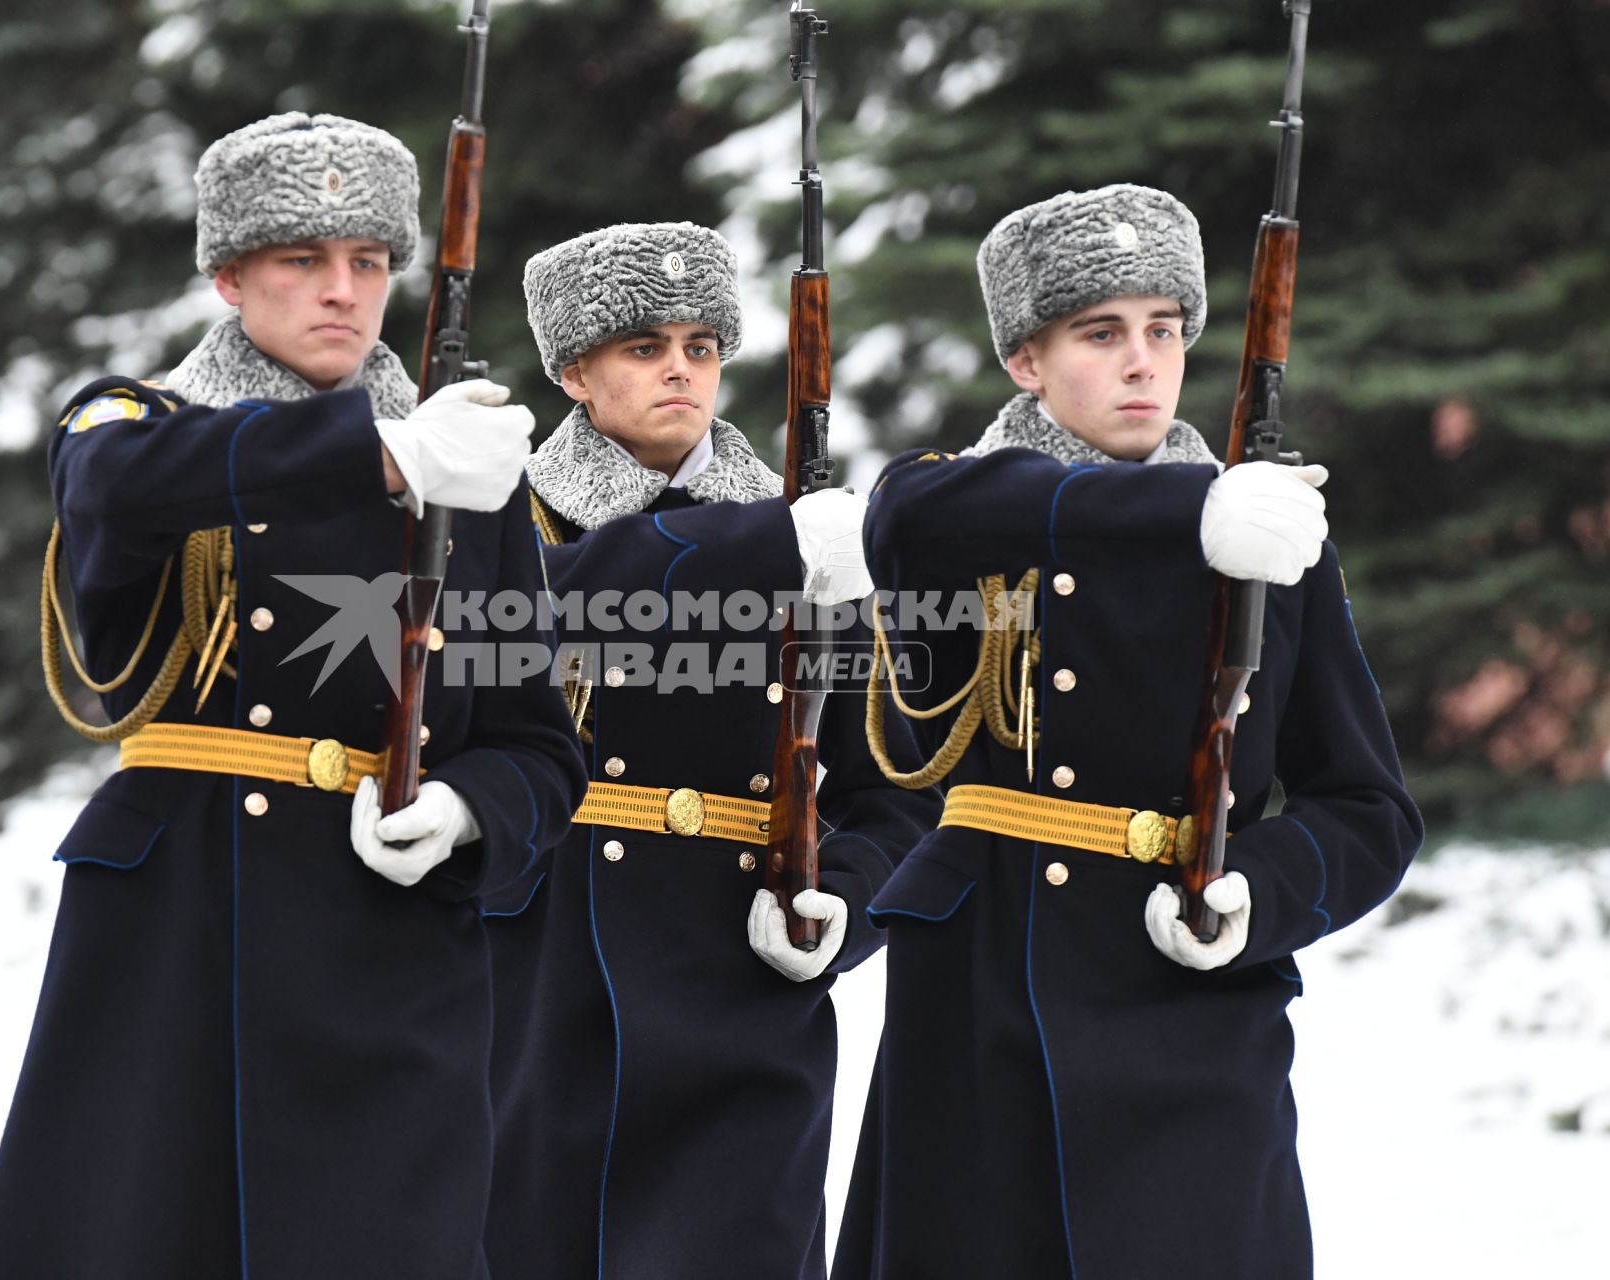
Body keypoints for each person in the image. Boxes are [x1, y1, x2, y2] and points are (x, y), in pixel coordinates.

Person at [0, 112, 585, 1279]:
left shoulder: (478, 478)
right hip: (179, 927)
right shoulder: (139, 423)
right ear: (229, 275)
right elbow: (109, 488)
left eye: (366, 262)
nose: (341, 292)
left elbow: (537, 748)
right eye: (302, 260)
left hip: (387, 940)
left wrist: (467, 812)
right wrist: (383, 454)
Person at [831, 184, 1423, 1280]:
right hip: (985, 993)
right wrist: (1191, 512)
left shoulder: (1267, 539)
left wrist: (1261, 889)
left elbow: (1369, 808)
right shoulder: (957, 504)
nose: (1143, 361)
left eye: (1165, 329)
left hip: (1190, 995)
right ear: (1025, 359)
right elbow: (909, 517)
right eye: (1100, 334)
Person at [483, 221, 938, 1279]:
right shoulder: (504, 516)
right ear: (574, 372)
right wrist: (760, 543)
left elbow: (898, 795)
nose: (680, 370)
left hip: (743, 985)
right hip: (541, 981)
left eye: (701, 344)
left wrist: (841, 909)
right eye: (644, 347)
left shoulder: (811, 544)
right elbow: (515, 620)